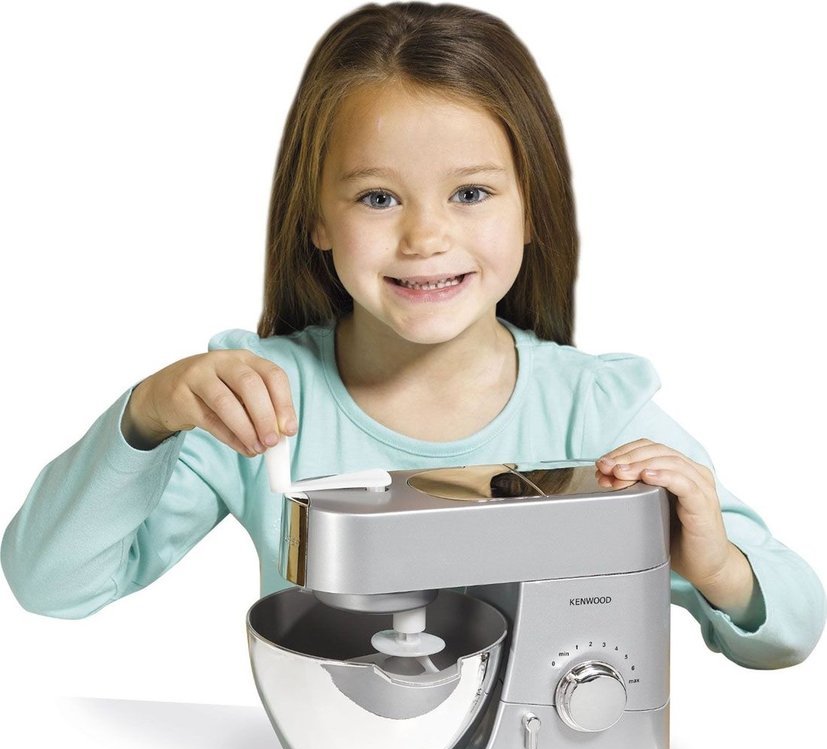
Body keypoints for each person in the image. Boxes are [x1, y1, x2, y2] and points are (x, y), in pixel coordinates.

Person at [1, 2, 823, 670]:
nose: (425, 237)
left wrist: (714, 564)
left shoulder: (592, 411)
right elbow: (52, 586)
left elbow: (790, 631)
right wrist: (144, 417)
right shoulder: (258, 405)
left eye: (470, 193)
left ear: (530, 210)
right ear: (316, 220)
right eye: (377, 198)